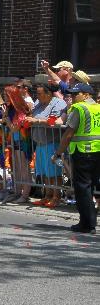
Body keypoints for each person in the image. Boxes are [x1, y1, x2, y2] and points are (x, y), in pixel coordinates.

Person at [53, 83, 99, 234]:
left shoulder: (79, 109)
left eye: (75, 94)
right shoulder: (98, 108)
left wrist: (58, 153)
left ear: (86, 95)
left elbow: (68, 134)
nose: (72, 97)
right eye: (71, 94)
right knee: (93, 186)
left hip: (83, 153)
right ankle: (90, 221)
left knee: (83, 188)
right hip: (97, 152)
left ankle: (87, 224)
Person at [26, 84, 67, 207]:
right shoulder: (39, 102)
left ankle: (56, 196)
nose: (37, 96)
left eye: (39, 93)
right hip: (39, 142)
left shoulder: (59, 103)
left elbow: (55, 121)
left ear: (48, 94)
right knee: (43, 171)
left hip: (52, 142)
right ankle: (47, 195)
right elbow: (32, 114)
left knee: (54, 172)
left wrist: (37, 121)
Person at [3, 83, 33, 204]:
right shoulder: (10, 108)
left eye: (7, 95)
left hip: (22, 141)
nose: (5, 97)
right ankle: (17, 191)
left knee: (23, 168)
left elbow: (15, 128)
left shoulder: (21, 109)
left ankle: (25, 194)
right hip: (14, 141)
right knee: (16, 167)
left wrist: (8, 121)